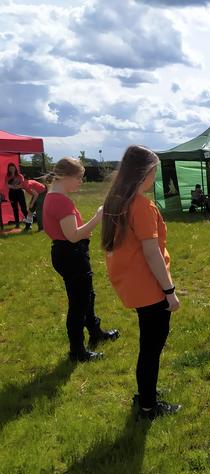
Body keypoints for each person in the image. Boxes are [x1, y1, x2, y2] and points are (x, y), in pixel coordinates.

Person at [102, 145, 182, 420]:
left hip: (132, 285)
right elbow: (152, 252)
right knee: (151, 348)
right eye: (154, 172)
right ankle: (148, 405)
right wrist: (169, 291)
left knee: (148, 345)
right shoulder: (141, 206)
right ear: (144, 173)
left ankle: (145, 395)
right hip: (150, 289)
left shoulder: (117, 201)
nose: (155, 178)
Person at [43, 158, 119, 362]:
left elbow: (71, 232)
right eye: (78, 178)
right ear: (64, 176)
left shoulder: (53, 196)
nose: (80, 182)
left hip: (67, 253)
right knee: (78, 304)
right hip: (71, 255)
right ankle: (77, 351)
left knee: (87, 296)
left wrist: (83, 233)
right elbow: (73, 235)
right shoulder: (60, 200)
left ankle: (95, 332)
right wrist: (97, 218)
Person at [4, 163, 28, 229]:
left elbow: (22, 184)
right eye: (10, 168)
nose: (12, 169)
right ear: (8, 169)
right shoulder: (7, 176)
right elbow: (7, 185)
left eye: (13, 167)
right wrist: (13, 187)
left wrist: (16, 186)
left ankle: (29, 223)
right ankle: (17, 224)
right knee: (15, 209)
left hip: (20, 192)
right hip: (11, 193)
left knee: (23, 208)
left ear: (15, 168)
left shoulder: (20, 176)